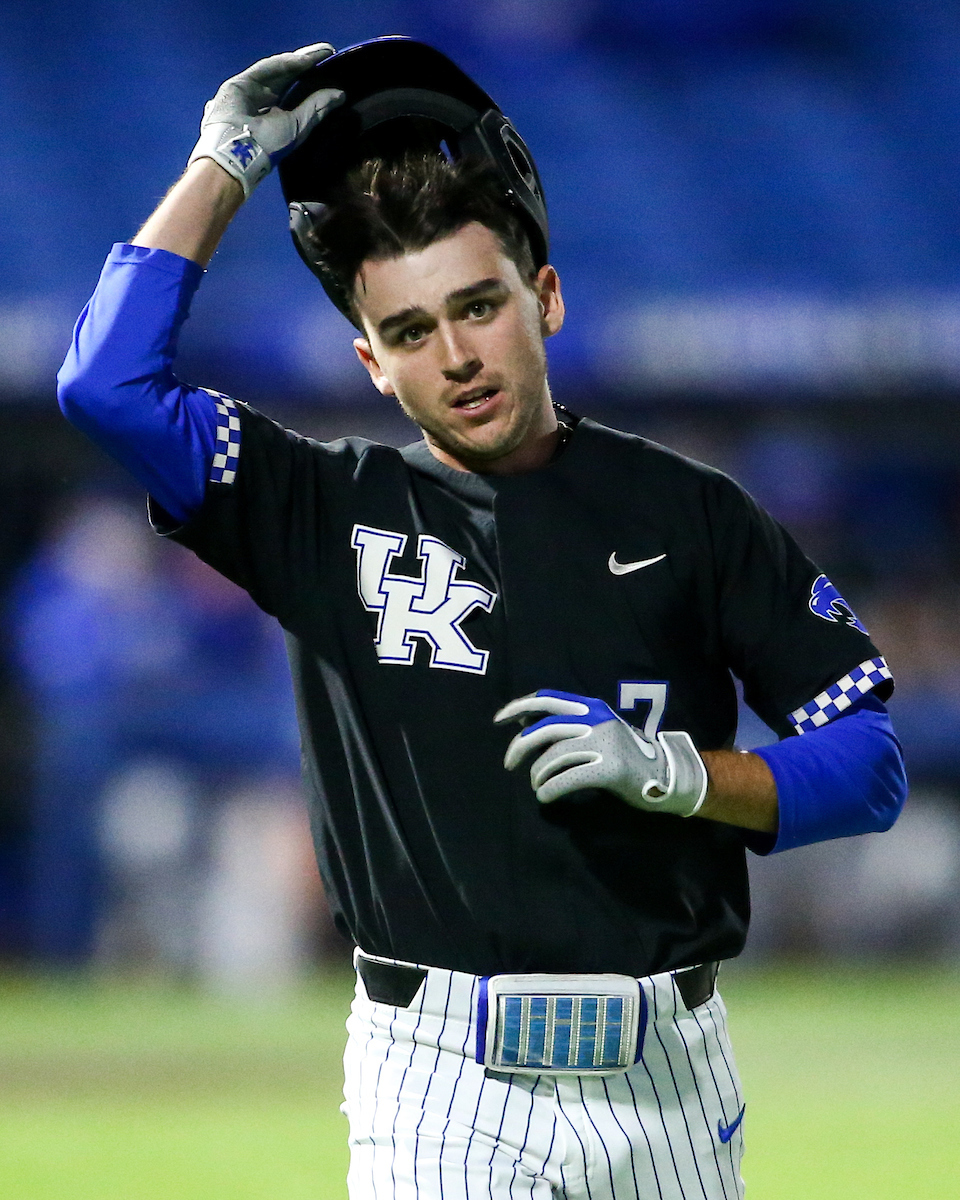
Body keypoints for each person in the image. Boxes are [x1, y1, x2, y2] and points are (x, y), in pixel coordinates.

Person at [58, 39, 907, 1200]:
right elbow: (104, 386)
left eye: (477, 306)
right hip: (437, 1078)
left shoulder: (694, 512)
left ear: (542, 297)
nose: (456, 355)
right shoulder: (321, 510)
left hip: (667, 1076)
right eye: (411, 333)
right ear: (371, 362)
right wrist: (225, 162)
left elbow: (869, 764)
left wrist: (683, 776)